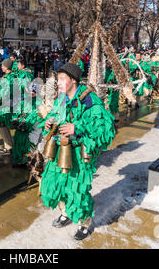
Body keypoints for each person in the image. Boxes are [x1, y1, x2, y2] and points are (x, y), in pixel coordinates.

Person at [39, 63, 116, 240]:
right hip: (59, 151)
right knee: (55, 184)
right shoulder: (61, 98)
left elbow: (106, 129)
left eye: (61, 79)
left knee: (77, 190)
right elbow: (57, 117)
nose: (58, 83)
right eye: (57, 79)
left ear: (73, 80)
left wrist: (78, 128)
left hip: (79, 153)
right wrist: (50, 123)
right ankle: (65, 213)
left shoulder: (90, 100)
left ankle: (84, 223)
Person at [0, 59, 16, 154]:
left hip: (6, 105)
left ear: (7, 67)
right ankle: (8, 146)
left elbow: (4, 93)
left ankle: (9, 147)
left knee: (1, 125)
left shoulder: (7, 78)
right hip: (13, 104)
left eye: (3, 66)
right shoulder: (15, 76)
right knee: (6, 125)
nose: (1, 67)